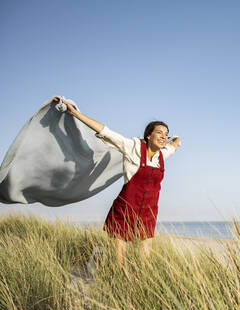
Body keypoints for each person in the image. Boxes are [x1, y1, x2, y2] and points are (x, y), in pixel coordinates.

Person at [54, 97, 181, 270]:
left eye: (166, 134)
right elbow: (105, 131)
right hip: (126, 209)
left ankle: (140, 283)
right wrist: (75, 113)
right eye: (159, 132)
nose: (164, 136)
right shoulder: (131, 147)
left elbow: (172, 146)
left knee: (145, 261)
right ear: (148, 136)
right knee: (120, 263)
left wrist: (176, 140)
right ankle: (120, 280)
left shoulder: (162, 155)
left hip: (149, 212)